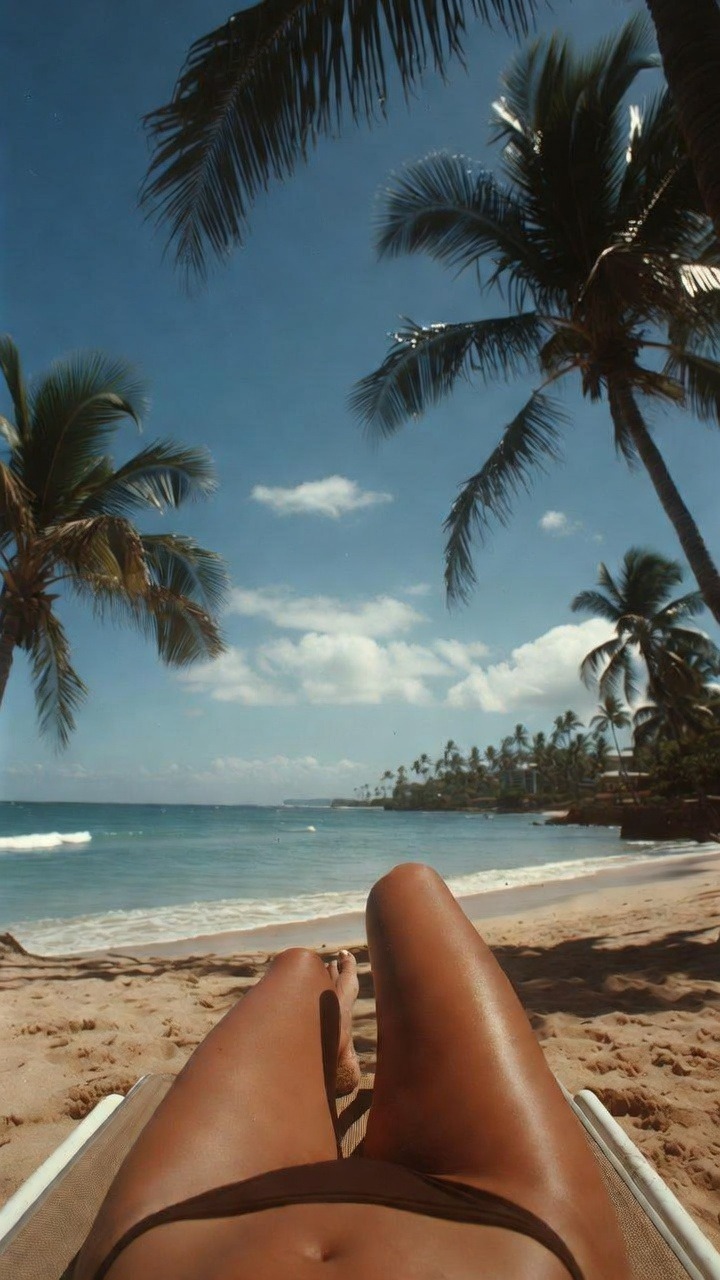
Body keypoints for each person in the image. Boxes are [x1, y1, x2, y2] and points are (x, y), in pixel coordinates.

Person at [74, 863, 630, 1280]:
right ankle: (337, 1046)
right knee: (406, 889)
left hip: (175, 1246)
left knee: (296, 969)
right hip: (510, 1239)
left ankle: (331, 1038)